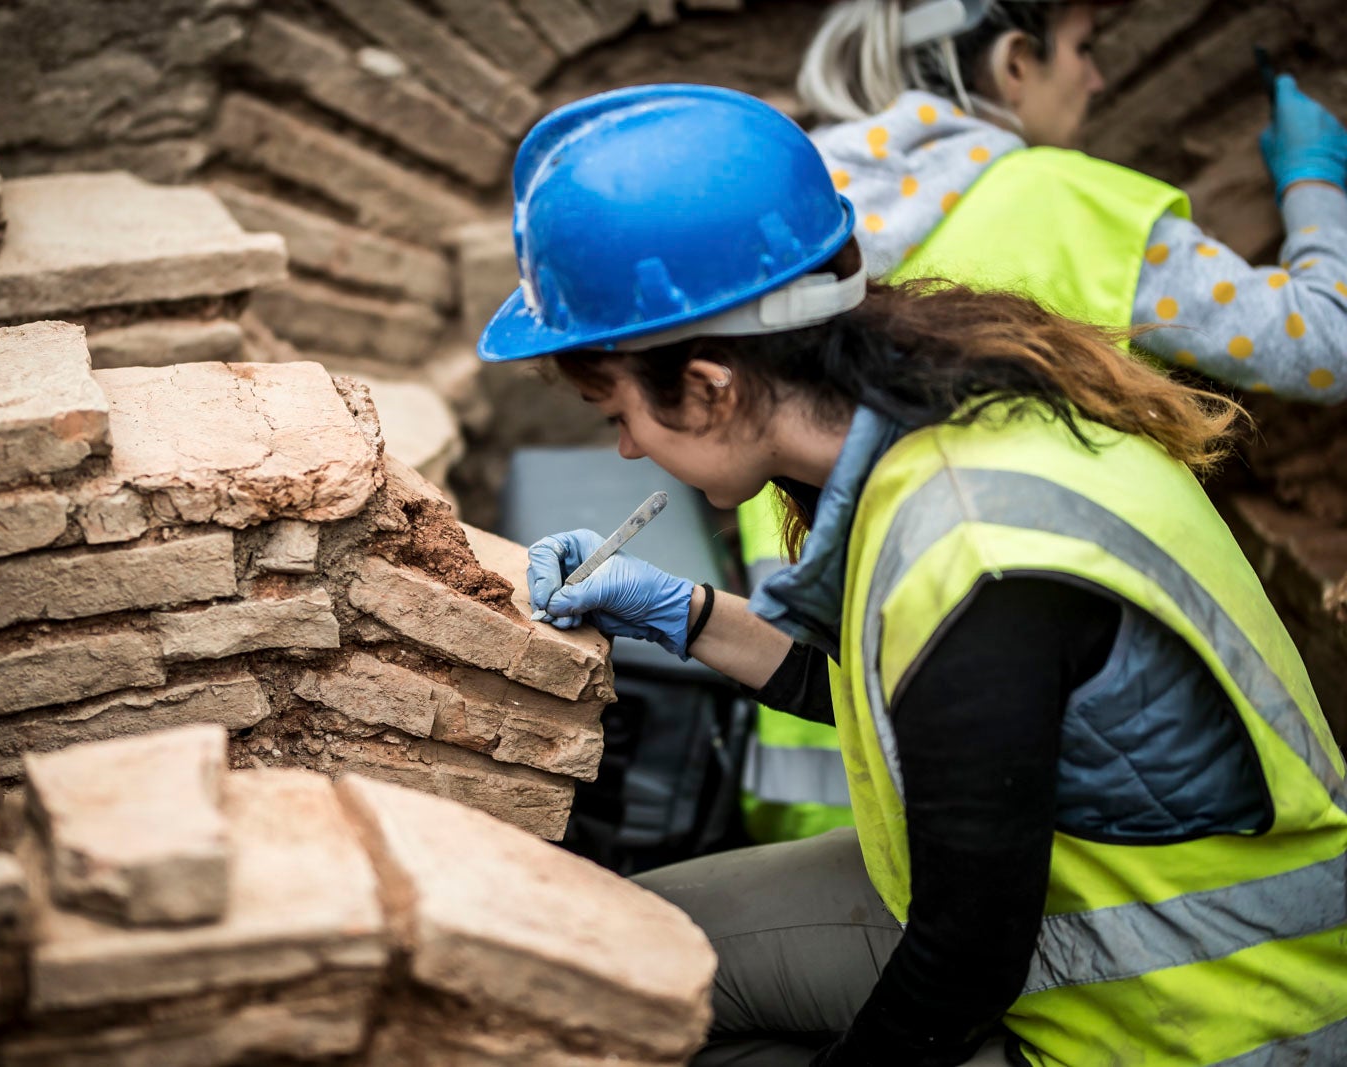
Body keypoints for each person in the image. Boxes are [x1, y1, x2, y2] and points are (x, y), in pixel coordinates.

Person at [478, 83, 1347, 1066]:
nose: (627, 449)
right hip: (1068, 900)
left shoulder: (982, 551)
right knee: (602, 958)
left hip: (1196, 1018)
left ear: (712, 389)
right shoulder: (961, 410)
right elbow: (905, 698)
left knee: (646, 1027)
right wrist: (681, 611)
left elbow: (963, 963)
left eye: (618, 414)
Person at [739, 0, 1347, 844]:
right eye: (1084, 49)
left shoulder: (794, 212)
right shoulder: (1070, 204)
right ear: (1016, 61)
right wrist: (1315, 184)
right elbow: (1323, 345)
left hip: (818, 750)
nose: (1097, 78)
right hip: (1048, 793)